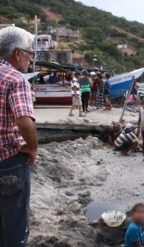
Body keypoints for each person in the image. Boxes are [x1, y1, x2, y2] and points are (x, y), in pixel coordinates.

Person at [0, 26, 38, 247]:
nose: (30, 59)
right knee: (15, 226)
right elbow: (24, 121)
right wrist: (32, 147)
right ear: (17, 53)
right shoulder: (16, 79)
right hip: (8, 161)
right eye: (29, 53)